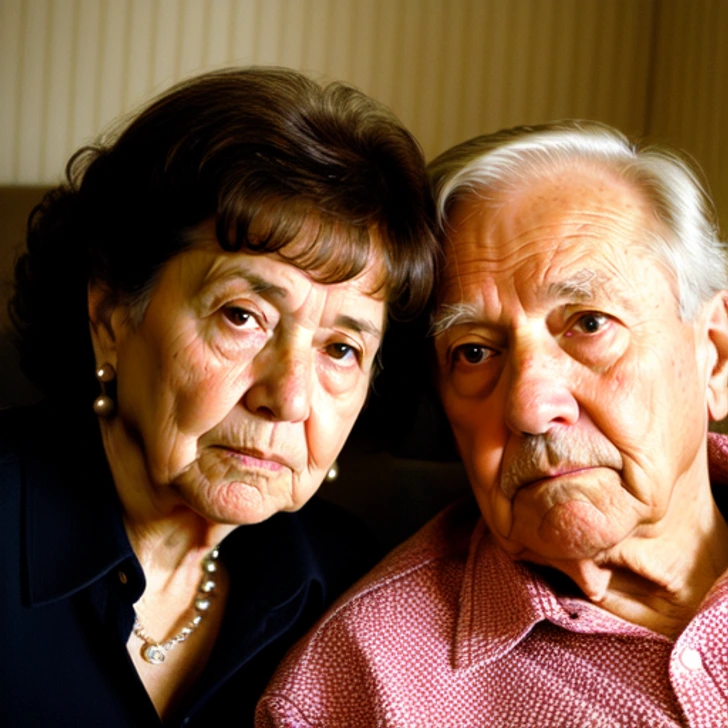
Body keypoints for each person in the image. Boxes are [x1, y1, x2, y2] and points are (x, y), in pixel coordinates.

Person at [1, 67, 437, 726]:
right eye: (242, 316)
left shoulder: (353, 590)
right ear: (112, 315)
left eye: (341, 349)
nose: (289, 398)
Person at [257, 120, 728, 727]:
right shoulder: (359, 684)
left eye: (588, 324)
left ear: (716, 356)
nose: (528, 406)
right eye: (474, 352)